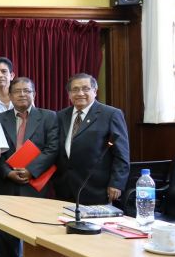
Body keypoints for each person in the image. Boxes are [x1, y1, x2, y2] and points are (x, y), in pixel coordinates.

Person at [0, 77, 58, 257]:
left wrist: (31, 171)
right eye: (17, 91)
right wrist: (7, 172)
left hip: (37, 184)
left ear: (34, 94)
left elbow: (53, 148)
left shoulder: (49, 117)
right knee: (6, 234)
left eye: (27, 91)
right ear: (10, 96)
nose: (22, 94)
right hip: (7, 184)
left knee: (35, 232)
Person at [54, 73, 130, 205]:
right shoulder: (60, 116)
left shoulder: (110, 114)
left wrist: (117, 183)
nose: (80, 93)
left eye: (85, 88)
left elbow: (121, 154)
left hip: (96, 188)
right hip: (65, 187)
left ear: (95, 91)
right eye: (75, 89)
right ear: (69, 94)